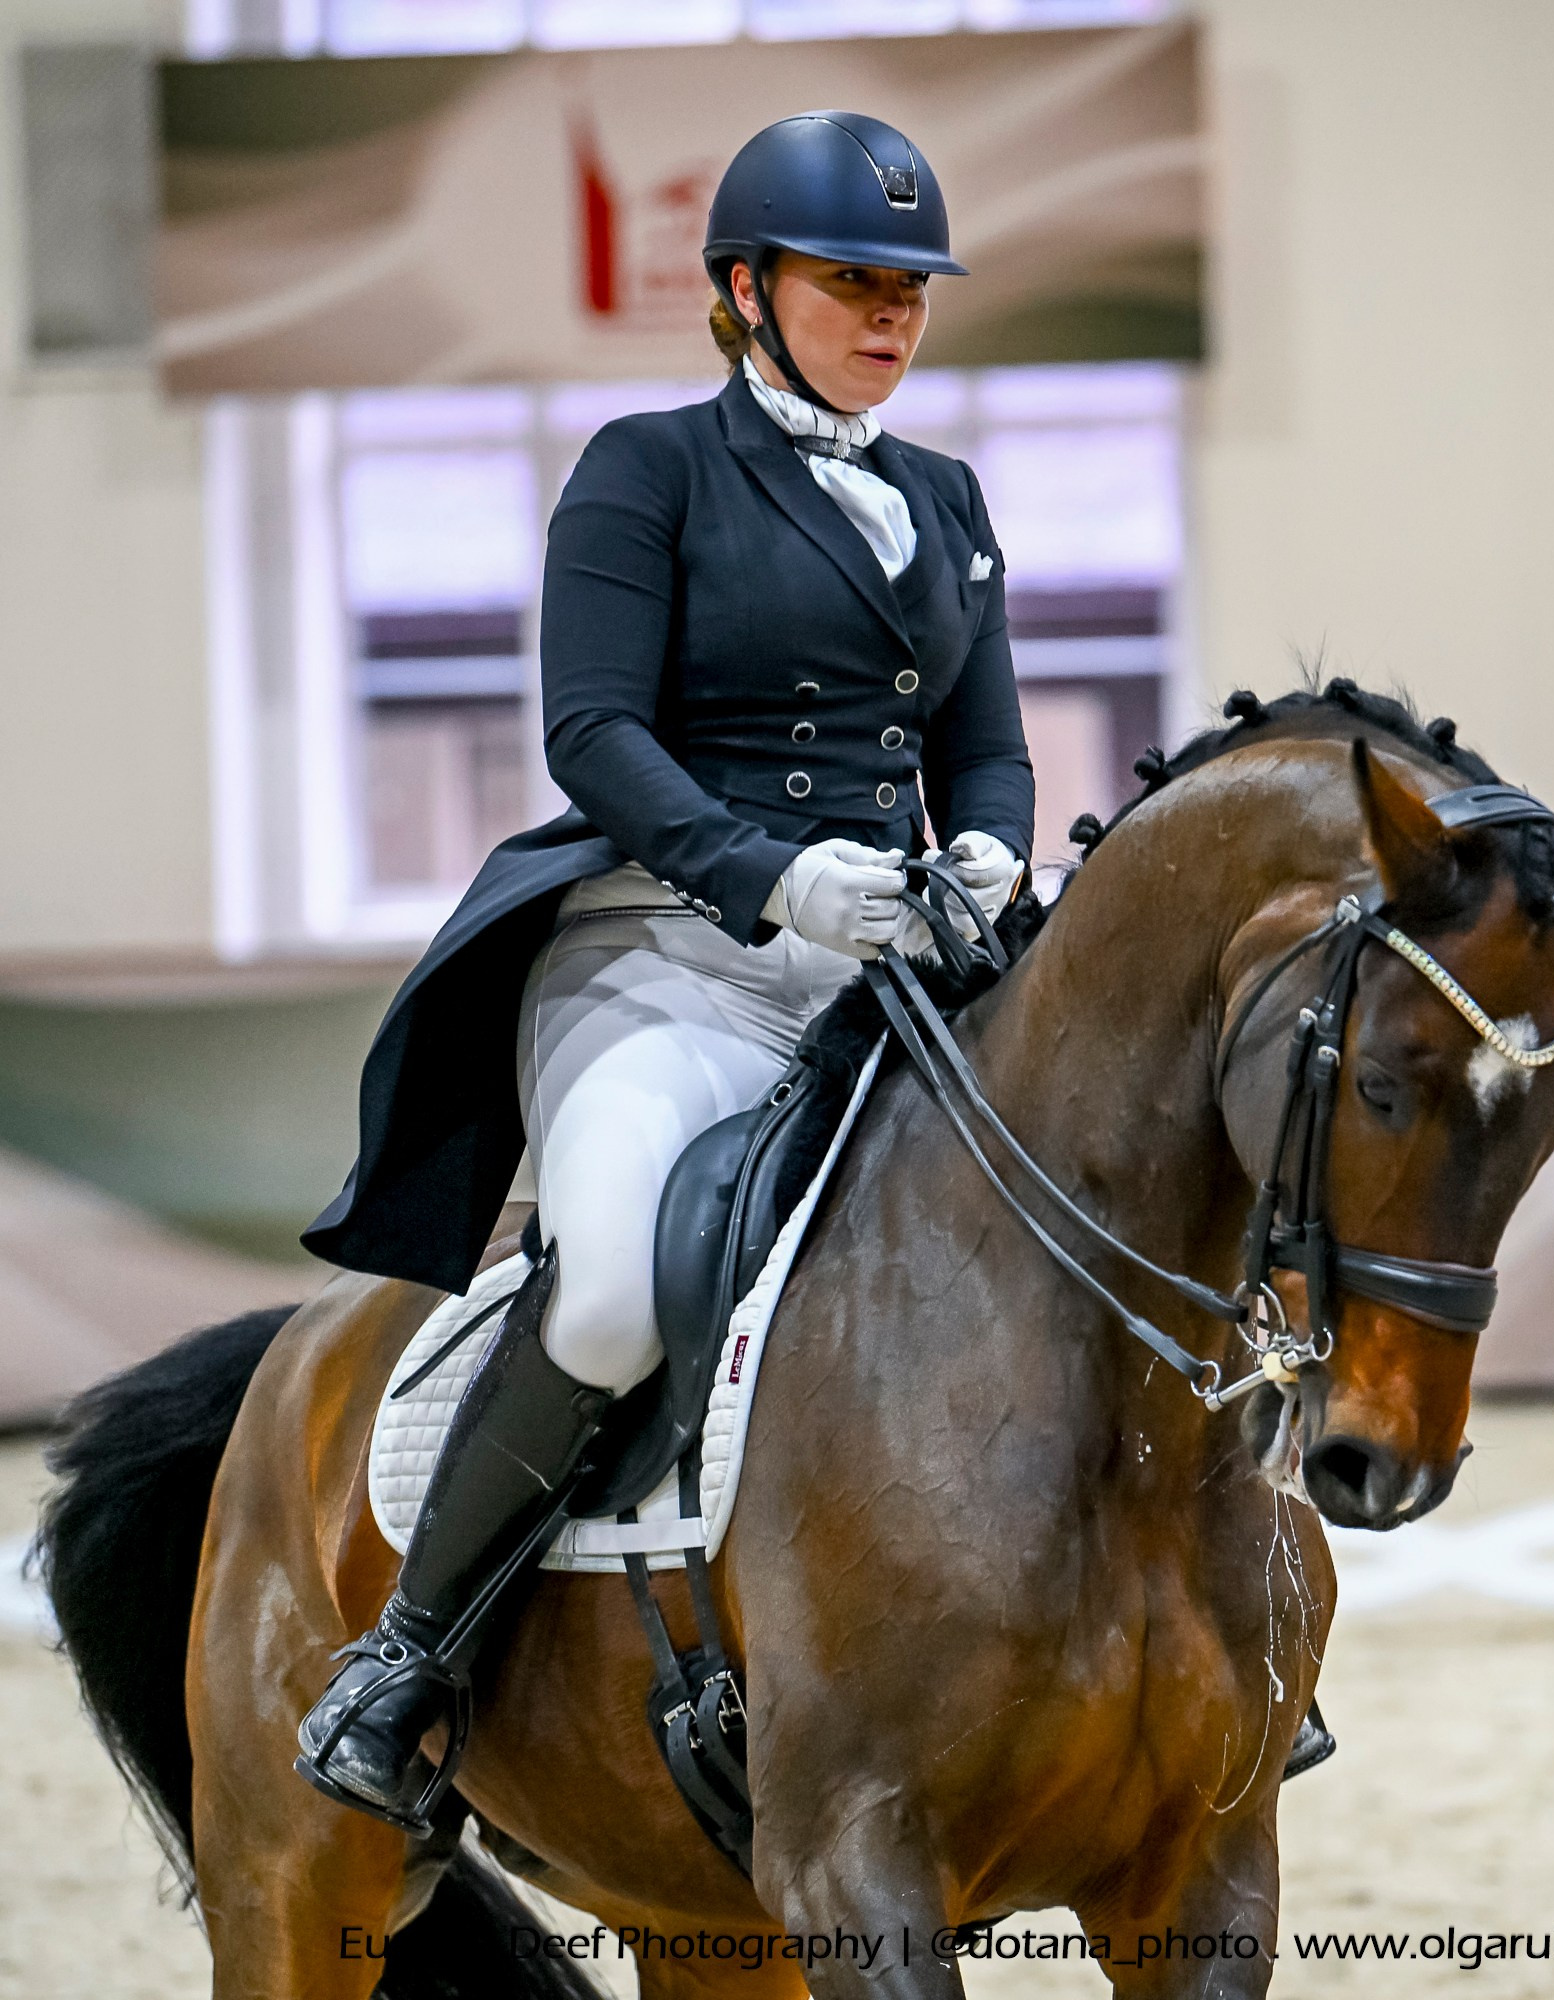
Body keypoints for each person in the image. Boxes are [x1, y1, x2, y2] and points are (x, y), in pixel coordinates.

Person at [293, 110, 1034, 1830]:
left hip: (892, 962)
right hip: (664, 955)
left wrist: (988, 846)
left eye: (912, 290)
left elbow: (981, 748)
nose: (893, 318)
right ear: (745, 291)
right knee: (618, 1277)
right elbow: (594, 733)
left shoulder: (948, 497)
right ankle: (406, 1657)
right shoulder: (646, 467)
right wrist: (773, 877)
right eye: (854, 281)